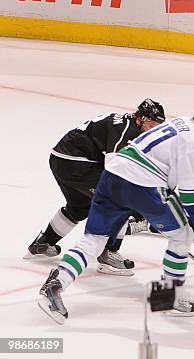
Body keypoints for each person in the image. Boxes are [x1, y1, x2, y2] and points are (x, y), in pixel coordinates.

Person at [37, 100, 194, 324]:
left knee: (93, 240)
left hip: (111, 178)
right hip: (143, 186)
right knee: (182, 235)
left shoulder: (181, 123)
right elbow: (192, 197)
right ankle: (168, 297)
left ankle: (55, 285)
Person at [25, 99, 166, 276]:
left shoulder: (127, 124)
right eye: (151, 124)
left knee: (79, 207)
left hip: (61, 159)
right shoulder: (125, 130)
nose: (153, 129)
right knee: (120, 202)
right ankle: (109, 253)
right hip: (76, 163)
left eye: (157, 126)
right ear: (140, 119)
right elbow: (115, 167)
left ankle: (44, 243)